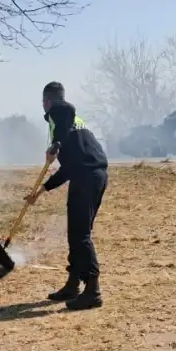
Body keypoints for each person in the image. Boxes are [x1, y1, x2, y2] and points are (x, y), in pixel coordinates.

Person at [25, 81, 108, 310]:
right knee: (76, 234)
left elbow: (66, 109)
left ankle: (93, 290)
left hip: (87, 177)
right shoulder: (71, 125)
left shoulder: (60, 112)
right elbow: (68, 168)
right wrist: (42, 190)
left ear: (47, 102)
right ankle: (73, 284)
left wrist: (56, 143)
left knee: (80, 235)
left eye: (45, 103)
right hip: (90, 174)